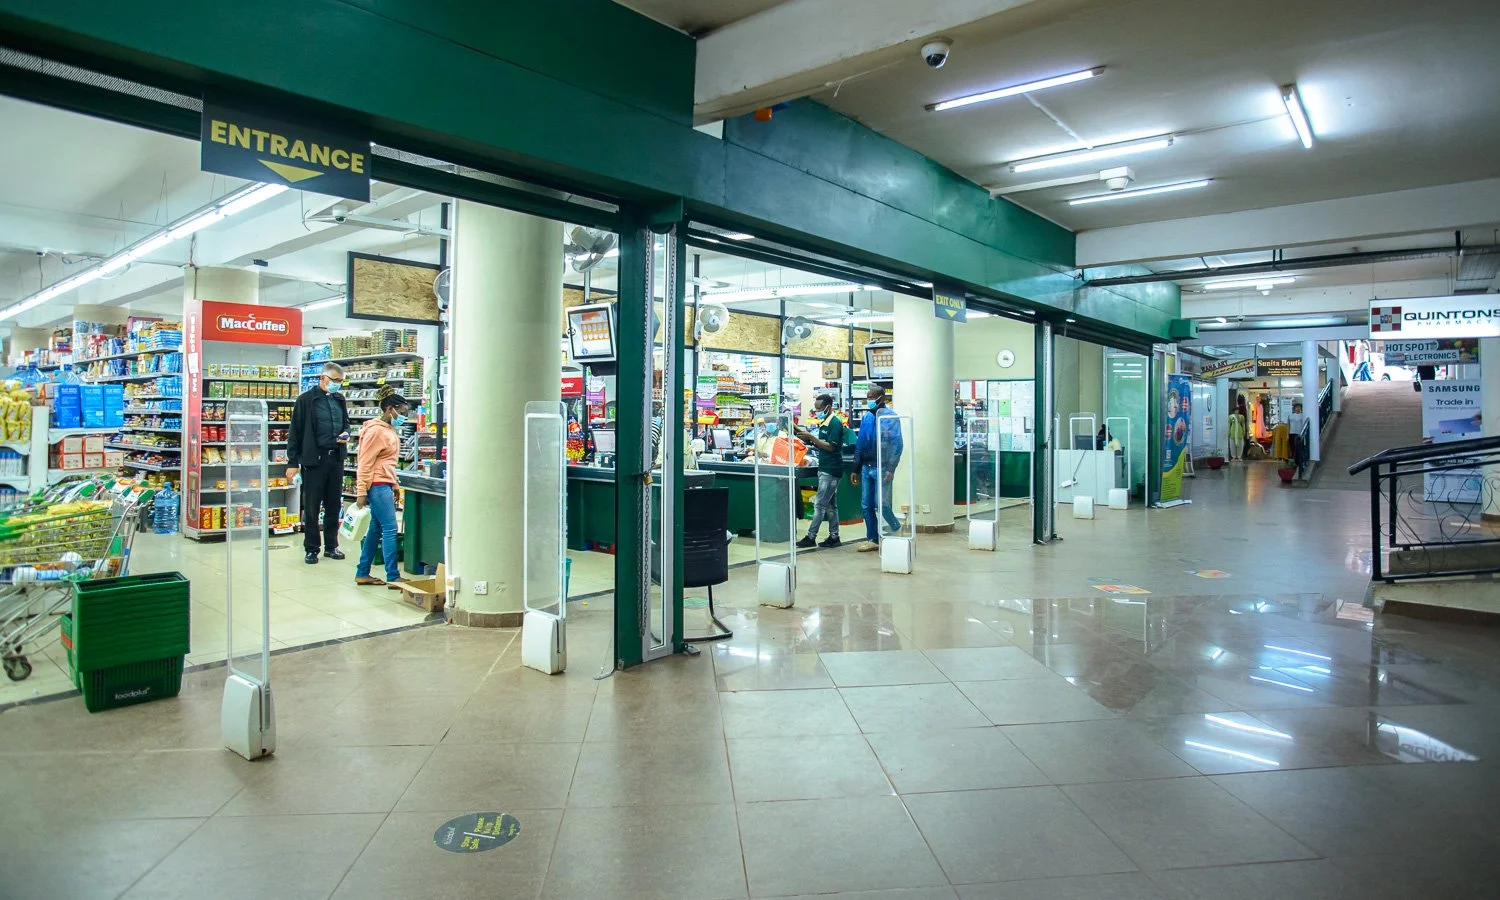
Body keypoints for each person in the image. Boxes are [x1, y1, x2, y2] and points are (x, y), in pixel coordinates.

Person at [287, 362, 349, 565]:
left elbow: (346, 423)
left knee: (334, 504)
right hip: (315, 460)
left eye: (340, 381)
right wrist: (293, 462)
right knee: (312, 506)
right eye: (334, 380)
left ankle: (332, 546)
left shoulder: (340, 400)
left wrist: (346, 433)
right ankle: (312, 549)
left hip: (336, 459)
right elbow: (295, 432)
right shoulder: (306, 400)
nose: (337, 385)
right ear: (322, 378)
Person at [354, 392, 411, 587]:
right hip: (377, 485)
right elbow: (364, 463)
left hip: (384, 483)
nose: (403, 417)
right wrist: (361, 492)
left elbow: (387, 462)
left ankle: (362, 573)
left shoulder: (387, 429)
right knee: (390, 529)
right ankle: (393, 576)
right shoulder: (375, 431)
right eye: (401, 413)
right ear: (389, 409)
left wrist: (394, 484)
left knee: (375, 530)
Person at [852, 386, 903, 552]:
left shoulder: (890, 417)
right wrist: (856, 467)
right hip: (867, 468)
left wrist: (891, 469)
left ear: (881, 397)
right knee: (866, 505)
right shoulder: (867, 417)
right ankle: (873, 539)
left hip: (882, 468)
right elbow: (860, 444)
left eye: (871, 397)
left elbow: (897, 444)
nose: (869, 400)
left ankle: (896, 528)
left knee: (881, 503)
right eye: (867, 397)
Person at [794, 393, 846, 548]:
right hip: (825, 467)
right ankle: (834, 537)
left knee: (819, 504)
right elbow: (822, 444)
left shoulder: (835, 423)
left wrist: (812, 438)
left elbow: (831, 446)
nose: (816, 411)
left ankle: (810, 537)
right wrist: (808, 439)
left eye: (819, 408)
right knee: (830, 505)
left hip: (831, 469)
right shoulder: (824, 422)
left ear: (828, 407)